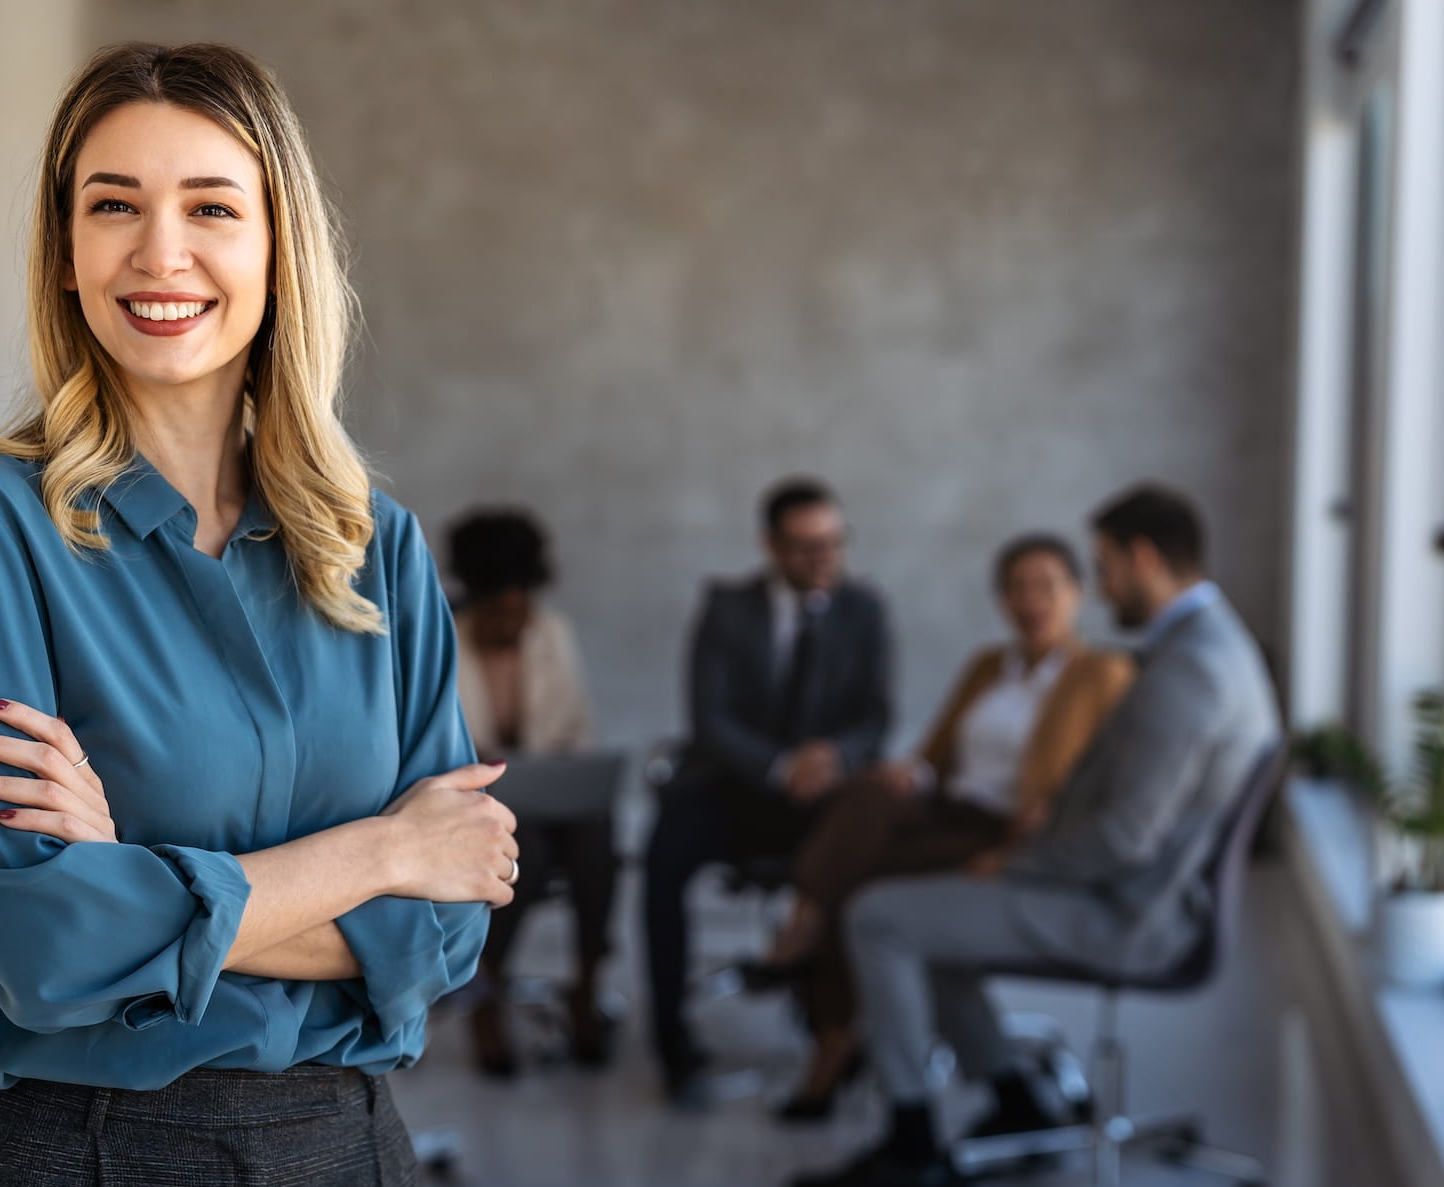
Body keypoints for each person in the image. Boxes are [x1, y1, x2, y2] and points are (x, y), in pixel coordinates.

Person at [0, 43, 516, 1187]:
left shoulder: (377, 545)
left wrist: (136, 881)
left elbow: (449, 929)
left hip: (353, 1158)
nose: (159, 252)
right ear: (65, 255)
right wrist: (379, 854)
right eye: (112, 204)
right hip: (90, 1164)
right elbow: (43, 945)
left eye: (212, 207)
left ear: (279, 248)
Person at [789, 485, 1280, 1187]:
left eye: (1104, 566)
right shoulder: (1211, 645)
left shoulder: (1191, 669)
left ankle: (912, 1145)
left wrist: (1015, 862)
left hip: (1129, 912)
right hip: (1134, 890)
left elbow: (1123, 836)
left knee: (880, 915)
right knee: (924, 908)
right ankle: (1015, 1097)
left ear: (1143, 558)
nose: (1103, 584)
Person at [750, 534, 1134, 1121]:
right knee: (872, 785)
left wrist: (1054, 813)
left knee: (861, 893)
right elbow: (937, 756)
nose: (1032, 602)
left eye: (1047, 587)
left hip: (1008, 830)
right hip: (948, 808)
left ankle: (828, 1026)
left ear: (1078, 595)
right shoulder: (988, 665)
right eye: (1017, 588)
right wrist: (914, 773)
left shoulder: (1099, 674)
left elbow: (1113, 777)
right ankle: (812, 917)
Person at [643, 478, 893, 1104]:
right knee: (662, 857)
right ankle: (671, 1039)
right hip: (733, 788)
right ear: (772, 547)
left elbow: (876, 717)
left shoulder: (866, 610)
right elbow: (711, 718)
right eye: (808, 547)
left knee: (866, 849)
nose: (824, 560)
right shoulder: (728, 607)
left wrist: (832, 758)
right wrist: (782, 766)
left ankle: (834, 1024)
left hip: (824, 795)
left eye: (834, 544)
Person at [445, 508, 616, 1077]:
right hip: (472, 802)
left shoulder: (551, 633)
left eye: (522, 609)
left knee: (597, 839)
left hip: (544, 792)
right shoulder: (441, 638)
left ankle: (586, 986)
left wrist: (557, 762)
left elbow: (577, 728)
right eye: (500, 611)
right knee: (528, 854)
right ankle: (485, 997)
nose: (514, 624)